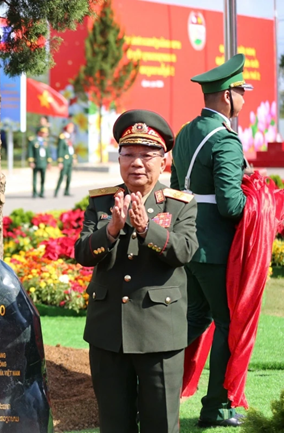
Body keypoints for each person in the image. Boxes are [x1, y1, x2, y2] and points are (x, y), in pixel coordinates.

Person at [75, 110, 199, 433]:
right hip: (108, 334)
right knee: (115, 424)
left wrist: (147, 231)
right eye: (128, 154)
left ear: (164, 161)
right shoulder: (103, 203)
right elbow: (83, 253)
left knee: (160, 423)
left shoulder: (179, 204)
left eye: (147, 155)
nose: (137, 163)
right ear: (119, 159)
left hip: (159, 333)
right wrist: (111, 231)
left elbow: (185, 251)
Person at [170, 53, 252, 428]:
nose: (244, 99)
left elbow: (175, 189)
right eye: (242, 92)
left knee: (195, 318)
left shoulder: (187, 131)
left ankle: (153, 388)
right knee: (226, 321)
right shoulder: (226, 140)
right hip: (216, 248)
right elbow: (232, 205)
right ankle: (215, 408)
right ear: (227, 96)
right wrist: (261, 203)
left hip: (186, 241)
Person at [28, 127, 51, 198]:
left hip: (43, 162)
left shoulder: (45, 141)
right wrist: (31, 161)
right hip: (36, 162)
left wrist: (49, 162)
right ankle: (34, 192)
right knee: (35, 178)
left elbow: (47, 152)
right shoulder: (33, 140)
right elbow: (30, 152)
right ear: (39, 132)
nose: (45, 134)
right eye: (43, 133)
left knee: (43, 178)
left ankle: (42, 192)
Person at [55, 123, 76, 197]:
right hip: (64, 160)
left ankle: (66, 191)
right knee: (62, 176)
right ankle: (56, 191)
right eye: (71, 128)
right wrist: (60, 161)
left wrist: (73, 158)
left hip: (69, 160)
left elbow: (71, 149)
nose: (72, 130)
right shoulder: (62, 137)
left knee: (69, 177)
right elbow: (60, 149)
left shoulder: (69, 137)